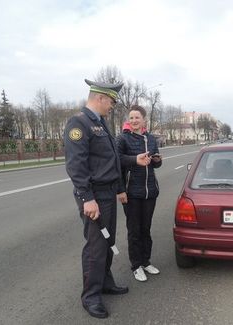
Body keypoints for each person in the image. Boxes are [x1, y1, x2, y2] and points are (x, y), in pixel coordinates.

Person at [64, 79, 151, 319]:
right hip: (94, 196)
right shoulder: (79, 123)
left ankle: (105, 282)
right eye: (111, 101)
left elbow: (110, 160)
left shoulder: (100, 124)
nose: (112, 106)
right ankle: (90, 297)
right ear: (100, 97)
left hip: (107, 193)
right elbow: (76, 166)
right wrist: (86, 198)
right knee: (95, 246)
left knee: (108, 241)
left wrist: (134, 161)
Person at [116, 105, 162, 282]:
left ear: (144, 120)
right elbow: (118, 161)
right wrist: (120, 190)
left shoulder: (151, 139)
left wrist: (157, 160)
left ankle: (146, 261)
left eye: (137, 118)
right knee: (134, 230)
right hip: (132, 192)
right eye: (131, 118)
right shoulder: (123, 139)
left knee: (146, 229)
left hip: (150, 191)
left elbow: (155, 163)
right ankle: (136, 266)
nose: (134, 121)